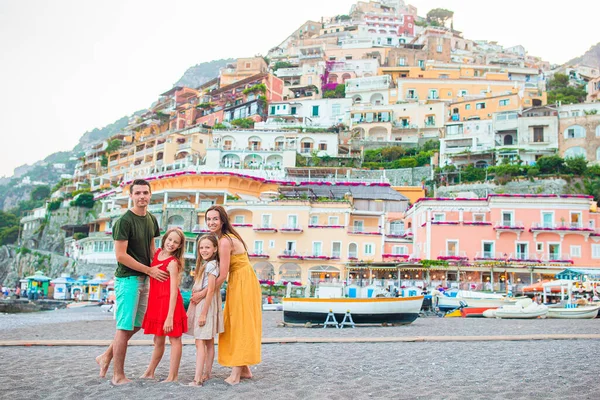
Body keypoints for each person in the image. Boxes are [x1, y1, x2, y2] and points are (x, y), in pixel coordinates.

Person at [95, 179, 168, 385]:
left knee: (139, 324)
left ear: (150, 195)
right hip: (127, 278)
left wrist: (163, 268)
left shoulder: (152, 219)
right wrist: (148, 270)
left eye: (145, 192)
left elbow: (153, 250)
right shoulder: (124, 221)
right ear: (131, 196)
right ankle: (118, 376)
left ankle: (106, 356)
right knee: (124, 326)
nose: (142, 196)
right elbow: (121, 255)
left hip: (146, 278)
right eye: (138, 193)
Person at [190, 205, 262, 385]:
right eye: (208, 219)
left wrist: (202, 294)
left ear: (222, 220)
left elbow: (222, 275)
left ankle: (236, 374)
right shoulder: (226, 237)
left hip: (242, 282)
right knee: (238, 321)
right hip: (242, 279)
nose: (211, 222)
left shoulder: (224, 241)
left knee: (239, 324)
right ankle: (244, 369)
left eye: (215, 219)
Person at [139, 228, 188, 382]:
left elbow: (174, 291)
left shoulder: (173, 263)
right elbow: (148, 239)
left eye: (176, 242)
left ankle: (172, 376)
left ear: (179, 246)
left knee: (174, 339)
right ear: (165, 238)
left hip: (170, 305)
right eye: (170, 239)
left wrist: (170, 317)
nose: (171, 244)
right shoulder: (157, 253)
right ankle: (150, 372)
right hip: (156, 303)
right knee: (158, 340)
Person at [186, 234, 224, 386]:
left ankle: (197, 379)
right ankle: (207, 373)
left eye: (207, 247)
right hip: (207, 304)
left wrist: (202, 313)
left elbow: (211, 290)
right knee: (208, 342)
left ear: (215, 249)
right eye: (201, 247)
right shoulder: (211, 264)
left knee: (200, 341)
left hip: (204, 305)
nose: (203, 250)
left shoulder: (210, 265)